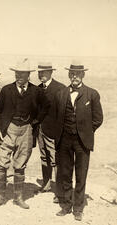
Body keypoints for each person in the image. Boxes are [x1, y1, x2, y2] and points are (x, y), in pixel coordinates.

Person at [0, 58, 49, 209]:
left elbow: (45, 107)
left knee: (20, 164)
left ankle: (18, 197)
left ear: (28, 75)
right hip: (7, 129)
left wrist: (34, 122)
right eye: (17, 73)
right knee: (1, 163)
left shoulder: (36, 91)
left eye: (22, 73)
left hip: (26, 131)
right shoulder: (6, 90)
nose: (19, 76)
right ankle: (0, 196)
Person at [54, 61, 103, 221]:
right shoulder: (61, 94)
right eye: (72, 74)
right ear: (69, 75)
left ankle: (78, 209)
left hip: (83, 142)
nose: (74, 76)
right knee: (65, 173)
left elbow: (98, 118)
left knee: (81, 175)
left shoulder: (92, 94)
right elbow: (56, 117)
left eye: (78, 74)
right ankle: (66, 206)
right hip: (64, 140)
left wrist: (86, 131)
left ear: (83, 75)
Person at [37, 62, 66, 202]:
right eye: (39, 72)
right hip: (40, 131)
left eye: (44, 72)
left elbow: (64, 113)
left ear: (50, 73)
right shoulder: (37, 89)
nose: (40, 74)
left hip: (54, 132)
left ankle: (60, 192)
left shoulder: (60, 89)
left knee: (56, 160)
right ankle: (46, 184)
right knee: (44, 158)